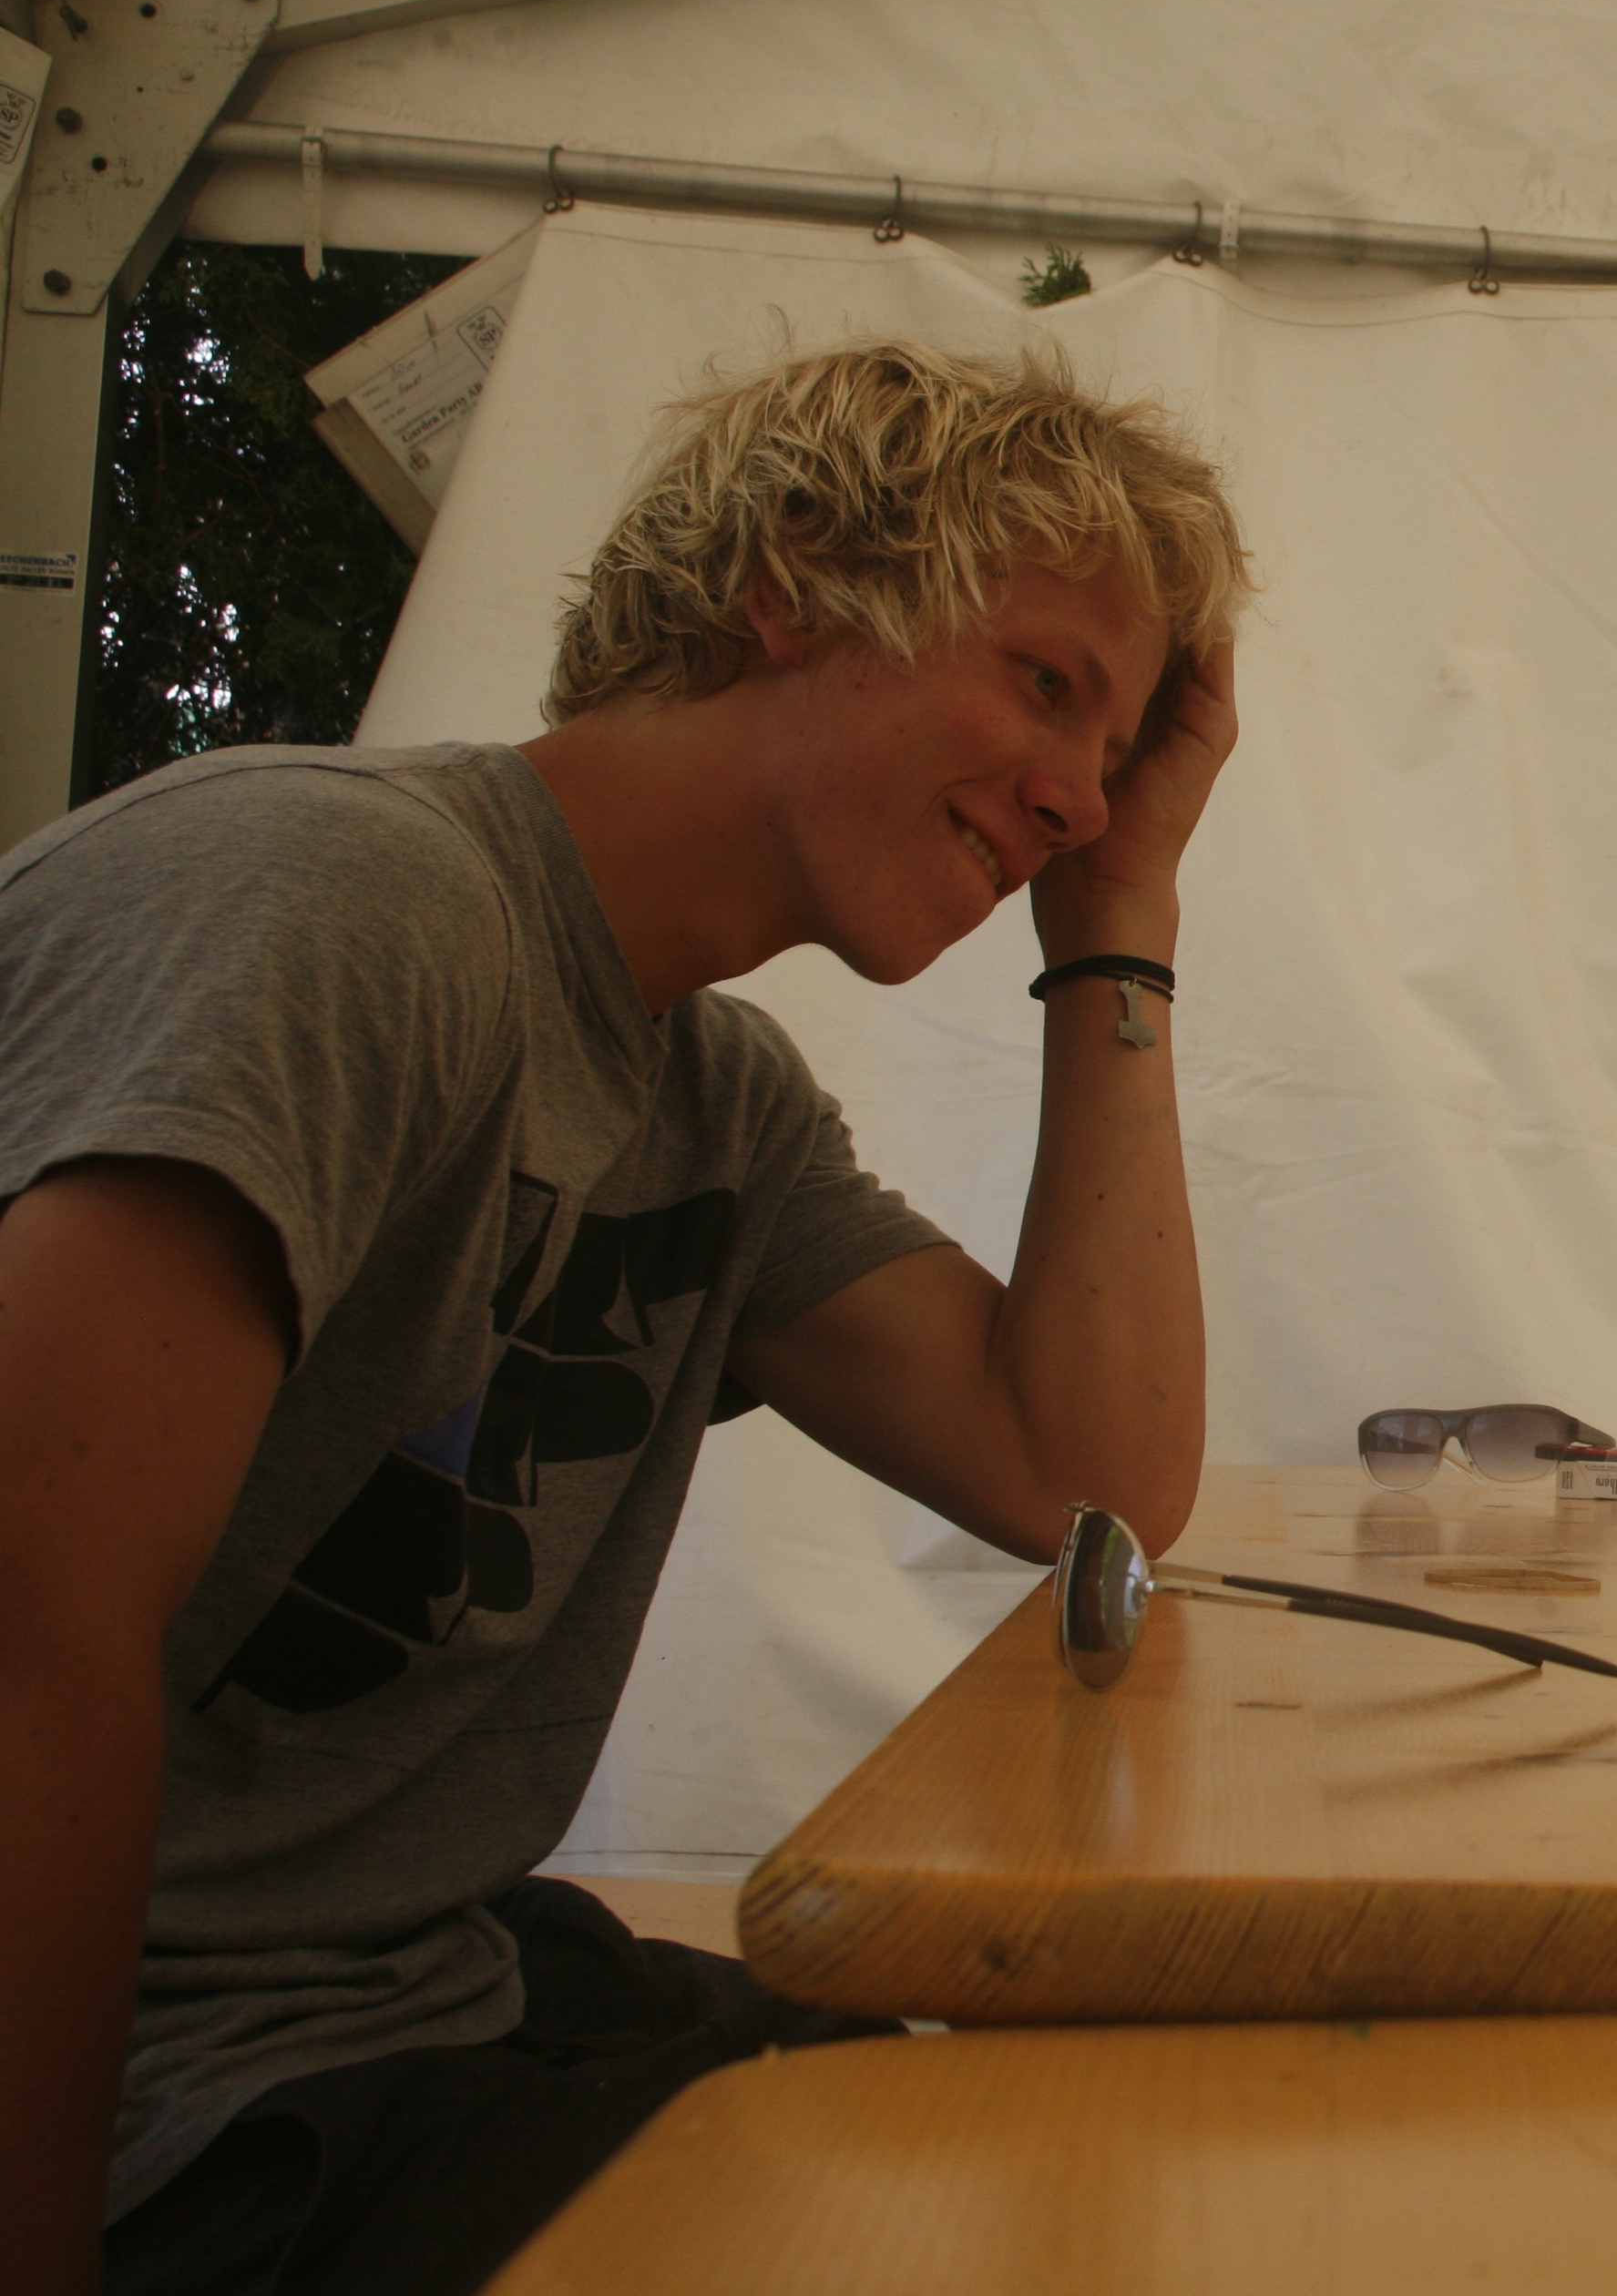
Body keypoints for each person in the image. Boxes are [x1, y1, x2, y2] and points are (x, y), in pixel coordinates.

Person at [0, 340, 1256, 2295]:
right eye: (1044, 684)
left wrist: (1122, 919)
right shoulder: (347, 903)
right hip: (172, 2105)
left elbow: (1087, 1474)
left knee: (1087, 2154)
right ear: (793, 576)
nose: (1077, 794)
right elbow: (28, 1634)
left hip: (425, 2003)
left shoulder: (715, 1109)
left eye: (1112, 751)